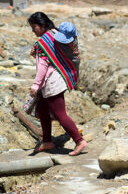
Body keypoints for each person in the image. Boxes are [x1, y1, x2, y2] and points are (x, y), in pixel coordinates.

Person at [28, 12, 87, 156]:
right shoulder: (55, 34)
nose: (32, 30)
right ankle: (47, 141)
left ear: (42, 25)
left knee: (60, 114)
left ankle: (79, 141)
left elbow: (43, 65)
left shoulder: (43, 42)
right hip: (57, 78)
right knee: (42, 109)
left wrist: (36, 85)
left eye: (34, 27)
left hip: (52, 83)